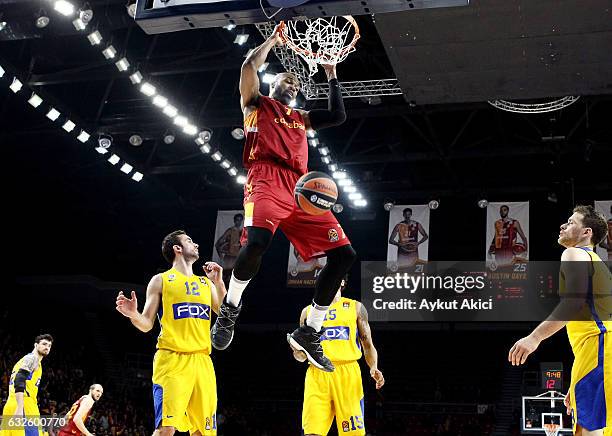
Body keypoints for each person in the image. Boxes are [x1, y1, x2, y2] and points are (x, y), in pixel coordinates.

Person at [211, 23, 356, 372]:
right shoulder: (256, 104)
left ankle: (310, 331)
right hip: (265, 178)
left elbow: (338, 115)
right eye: (285, 80)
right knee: (257, 242)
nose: (291, 84)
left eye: (296, 82)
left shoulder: (301, 118)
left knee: (344, 256)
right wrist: (273, 40)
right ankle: (230, 308)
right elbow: (248, 67)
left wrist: (332, 76)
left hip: (300, 188)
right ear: (273, 85)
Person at [508, 205, 611, 436]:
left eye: (572, 222)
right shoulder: (598, 264)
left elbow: (573, 304)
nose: (563, 225)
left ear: (587, 233)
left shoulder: (574, 253)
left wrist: (534, 338)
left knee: (589, 430)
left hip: (600, 347)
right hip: (598, 352)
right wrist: (578, 380)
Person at [116, 230, 227, 436]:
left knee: (205, 432)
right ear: (177, 248)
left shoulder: (206, 284)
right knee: (166, 429)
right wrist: (133, 314)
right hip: (172, 360)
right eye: (189, 241)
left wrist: (218, 282)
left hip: (202, 361)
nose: (196, 245)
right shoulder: (161, 280)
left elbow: (225, 314)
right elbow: (147, 323)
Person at [290, 278, 384, 436]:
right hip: (317, 374)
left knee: (352, 434)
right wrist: (296, 350)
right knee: (311, 432)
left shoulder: (356, 307)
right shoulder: (307, 312)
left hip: (348, 374)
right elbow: (301, 356)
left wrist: (373, 366)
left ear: (342, 282)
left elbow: (368, 345)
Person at [1, 334, 53, 436]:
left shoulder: (26, 360)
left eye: (49, 345)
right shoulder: (32, 359)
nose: (47, 347)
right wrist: (20, 408)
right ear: (36, 345)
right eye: (44, 344)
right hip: (24, 405)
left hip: (12, 403)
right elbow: (19, 379)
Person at [214, 213, 244, 282]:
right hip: (229, 259)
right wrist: (222, 256)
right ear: (234, 221)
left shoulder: (242, 232)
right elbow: (217, 244)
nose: (238, 222)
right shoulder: (230, 231)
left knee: (236, 281)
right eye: (237, 220)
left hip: (237, 259)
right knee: (226, 280)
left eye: (240, 220)